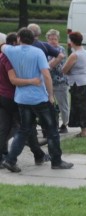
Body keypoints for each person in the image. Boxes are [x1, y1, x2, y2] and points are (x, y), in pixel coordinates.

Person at [0, 27, 72, 172]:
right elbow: (46, 75)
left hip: (21, 98)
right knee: (52, 130)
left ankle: (11, 159)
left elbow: (3, 45)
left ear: (19, 39)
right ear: (33, 39)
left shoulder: (11, 51)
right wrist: (50, 95)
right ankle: (56, 161)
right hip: (39, 97)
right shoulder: (38, 52)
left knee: (23, 130)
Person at [0, 31, 47, 166]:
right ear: (14, 43)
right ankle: (37, 154)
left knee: (4, 128)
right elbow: (13, 80)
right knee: (27, 128)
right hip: (13, 97)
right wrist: (33, 81)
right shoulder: (9, 58)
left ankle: (3, 155)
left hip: (3, 96)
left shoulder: (2, 56)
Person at [61, 31, 86, 138]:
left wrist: (69, 71)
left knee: (79, 107)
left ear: (72, 41)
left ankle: (84, 131)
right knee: (85, 106)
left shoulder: (74, 55)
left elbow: (64, 69)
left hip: (77, 83)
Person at [45, 29, 69, 133]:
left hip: (60, 81)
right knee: (48, 105)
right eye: (51, 39)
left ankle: (64, 124)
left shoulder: (61, 49)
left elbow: (50, 65)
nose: (53, 41)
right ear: (47, 40)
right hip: (48, 82)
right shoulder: (44, 49)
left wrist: (48, 65)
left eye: (55, 39)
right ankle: (51, 124)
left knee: (63, 104)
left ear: (58, 39)